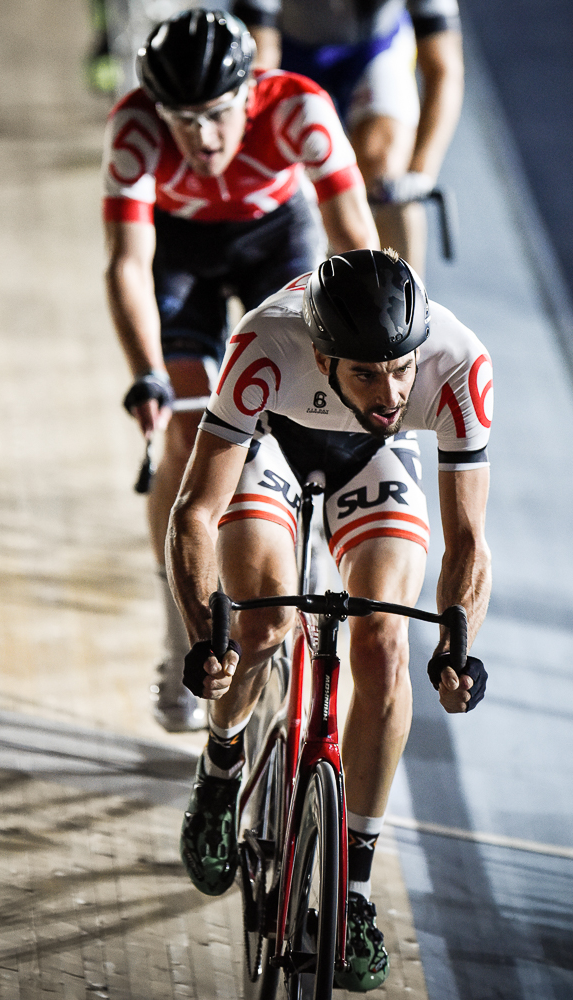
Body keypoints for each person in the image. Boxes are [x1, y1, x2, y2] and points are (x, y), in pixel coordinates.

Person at [166, 248, 492, 991]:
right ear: (321, 354)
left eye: (401, 370)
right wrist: (200, 634)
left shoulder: (456, 361)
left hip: (374, 464)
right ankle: (221, 767)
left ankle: (352, 895)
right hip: (271, 447)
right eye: (366, 373)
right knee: (261, 624)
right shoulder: (265, 344)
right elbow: (196, 510)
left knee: (383, 643)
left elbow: (469, 540)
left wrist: (458, 641)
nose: (390, 389)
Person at [101, 8, 379, 731]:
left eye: (216, 116)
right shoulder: (133, 127)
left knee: (299, 402)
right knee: (183, 436)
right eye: (181, 120)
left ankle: (298, 532)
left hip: (276, 241)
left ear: (250, 93)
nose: (200, 138)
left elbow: (351, 235)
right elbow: (128, 263)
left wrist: (366, 341)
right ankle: (182, 631)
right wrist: (145, 373)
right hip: (182, 251)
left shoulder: (297, 107)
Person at [233, 0, 465, 276]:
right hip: (286, 47)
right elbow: (261, 62)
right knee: (279, 162)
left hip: (373, 50)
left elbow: (444, 70)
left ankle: (409, 304)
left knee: (384, 167)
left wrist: (421, 172)